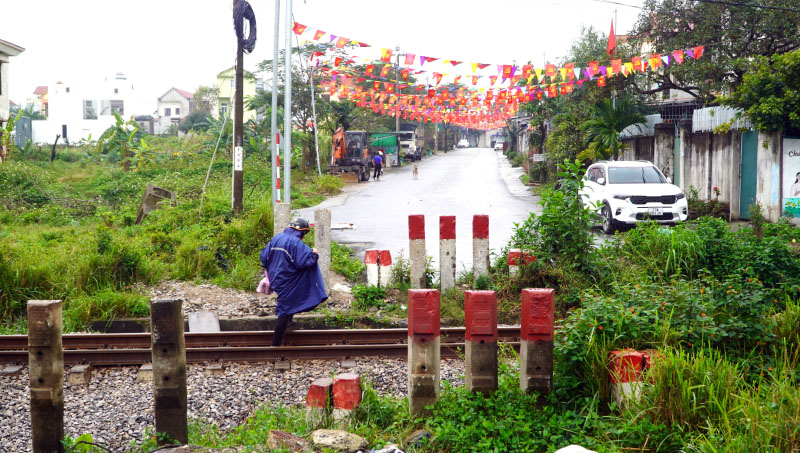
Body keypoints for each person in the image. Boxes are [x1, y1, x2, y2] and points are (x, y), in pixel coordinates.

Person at [259, 217, 328, 346]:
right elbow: (305, 262)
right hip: (287, 279)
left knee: (288, 301)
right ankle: (275, 344)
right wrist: (314, 253)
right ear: (301, 232)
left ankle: (289, 324)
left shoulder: (277, 238)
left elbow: (264, 257)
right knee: (284, 309)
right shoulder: (296, 243)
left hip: (276, 278)